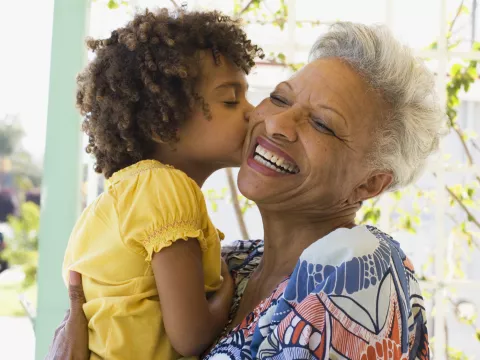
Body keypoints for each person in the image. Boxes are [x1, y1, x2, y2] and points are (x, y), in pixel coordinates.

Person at [47, 22, 442, 359]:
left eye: (322, 123)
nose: (274, 123)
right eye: (280, 97)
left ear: (370, 182)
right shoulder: (232, 262)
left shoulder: (357, 271)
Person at [61, 8, 263, 360]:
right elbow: (190, 337)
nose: (252, 111)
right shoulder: (167, 188)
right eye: (231, 99)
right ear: (163, 123)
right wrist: (230, 296)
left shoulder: (119, 199)